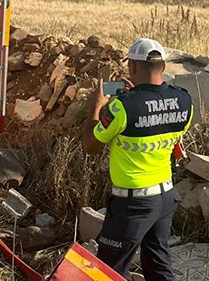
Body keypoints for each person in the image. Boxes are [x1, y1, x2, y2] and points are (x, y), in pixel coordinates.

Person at [82, 38, 193, 281]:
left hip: (133, 205)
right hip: (165, 197)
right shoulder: (185, 101)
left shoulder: (121, 107)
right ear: (163, 67)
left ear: (132, 67)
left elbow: (90, 146)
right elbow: (157, 119)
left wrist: (96, 108)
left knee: (108, 272)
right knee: (159, 267)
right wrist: (138, 96)